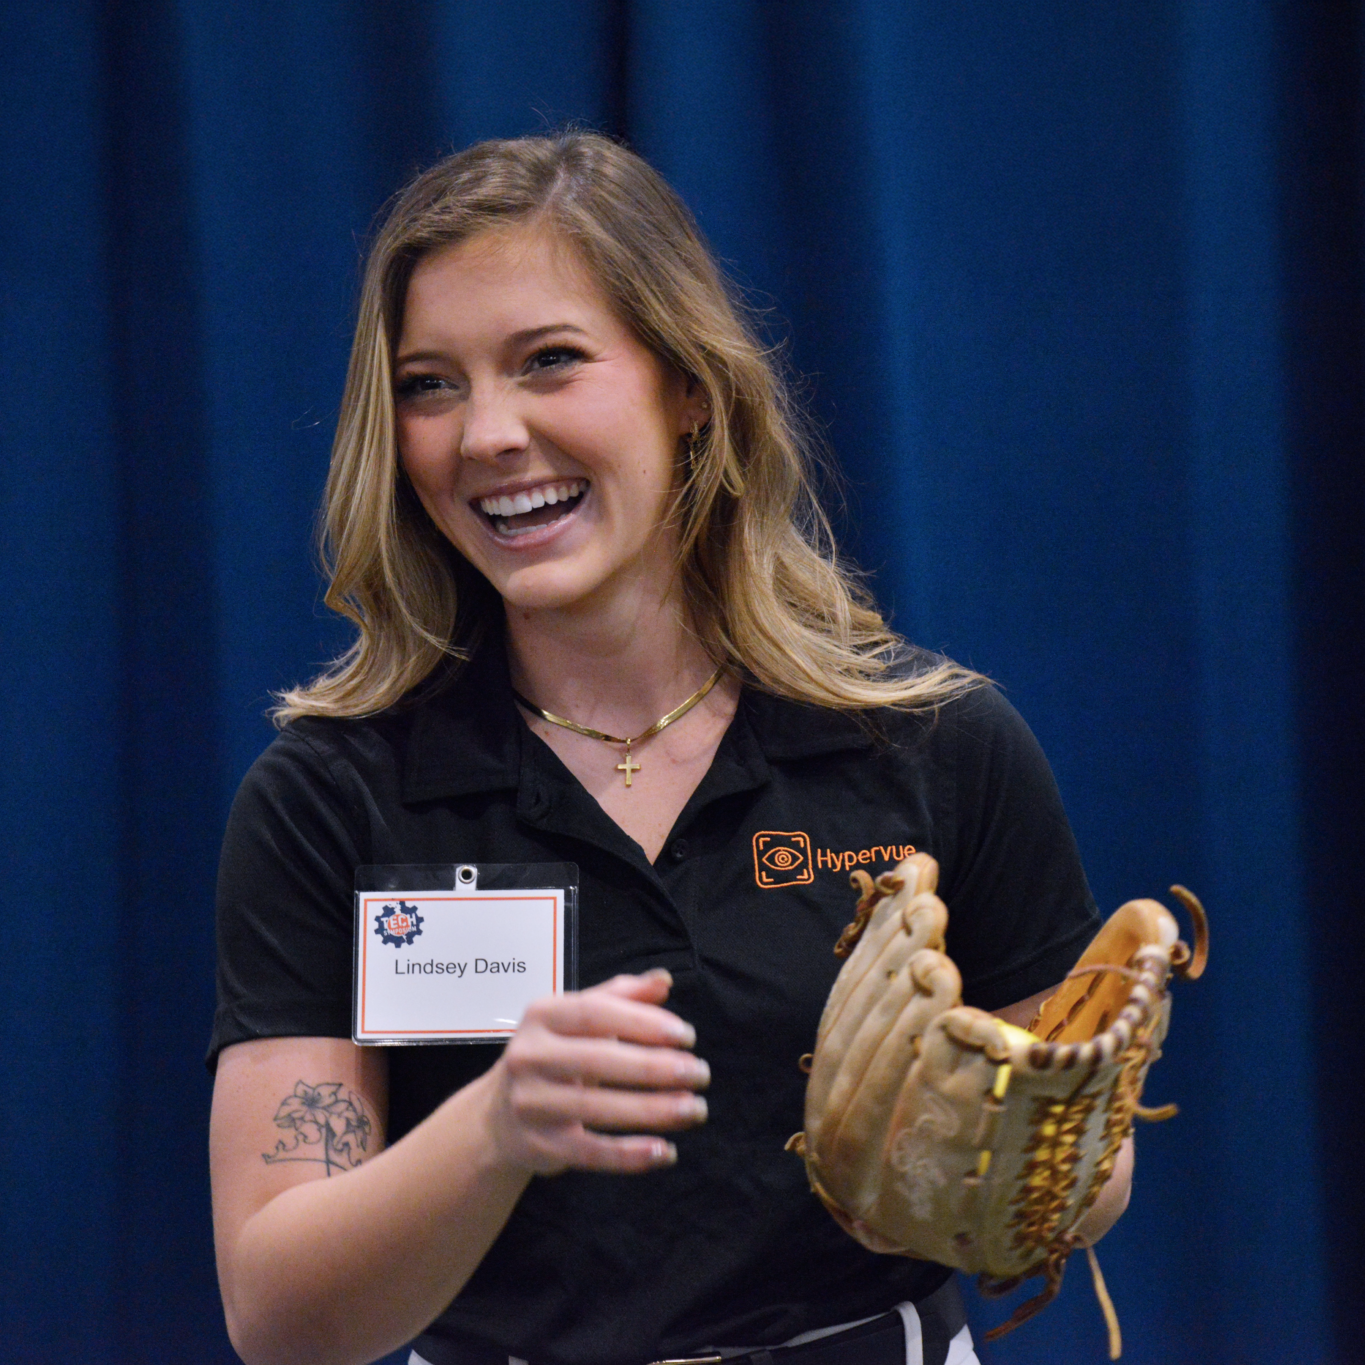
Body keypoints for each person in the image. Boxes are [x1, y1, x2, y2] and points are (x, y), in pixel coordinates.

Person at [207, 131, 1131, 1365]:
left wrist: (989, 1151)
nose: (486, 434)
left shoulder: (934, 746)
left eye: (549, 363)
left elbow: (1092, 1185)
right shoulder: (332, 796)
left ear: (687, 388)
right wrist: (495, 1130)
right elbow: (278, 1318)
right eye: (430, 384)